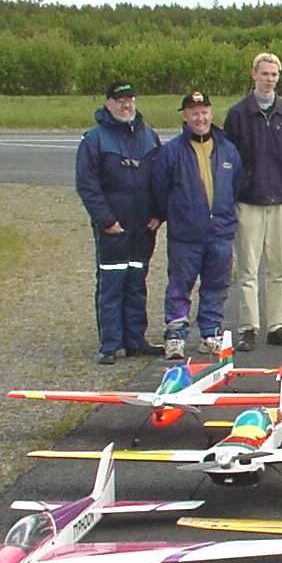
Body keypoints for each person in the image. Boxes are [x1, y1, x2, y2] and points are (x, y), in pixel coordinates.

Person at [150, 90, 244, 360]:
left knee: (216, 285)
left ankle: (210, 333)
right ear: (185, 116)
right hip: (186, 235)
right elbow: (160, 190)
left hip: (220, 233)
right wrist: (174, 215)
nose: (200, 118)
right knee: (180, 286)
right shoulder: (171, 152)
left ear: (211, 114)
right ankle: (175, 335)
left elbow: (236, 185)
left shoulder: (227, 150)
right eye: (194, 113)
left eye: (204, 112)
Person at [75, 80, 163, 364]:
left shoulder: (149, 137)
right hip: (113, 227)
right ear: (108, 103)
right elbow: (87, 185)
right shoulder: (95, 140)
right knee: (112, 283)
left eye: (130, 99)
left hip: (143, 227)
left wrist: (158, 214)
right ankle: (110, 344)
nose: (126, 105)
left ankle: (135, 340)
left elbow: (161, 178)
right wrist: (106, 220)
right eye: (120, 100)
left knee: (136, 282)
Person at [223, 51, 282, 353]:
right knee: (248, 269)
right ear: (254, 75)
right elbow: (229, 158)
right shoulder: (238, 114)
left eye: (274, 74)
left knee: (279, 268)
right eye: (265, 73)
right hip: (249, 201)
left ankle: (277, 326)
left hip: (279, 200)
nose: (269, 79)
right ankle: (248, 328)